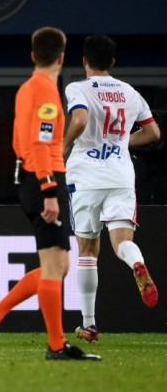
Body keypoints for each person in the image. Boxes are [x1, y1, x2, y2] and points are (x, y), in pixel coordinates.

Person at [0, 27, 101, 361]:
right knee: (55, 266)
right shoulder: (45, 91)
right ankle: (55, 345)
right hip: (43, 179)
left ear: (33, 56)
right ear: (61, 57)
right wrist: (48, 189)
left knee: (56, 266)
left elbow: (21, 141)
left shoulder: (28, 88)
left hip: (29, 177)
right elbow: (41, 144)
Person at [63, 34, 160, 343]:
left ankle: (89, 324)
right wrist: (121, 142)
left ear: (84, 62)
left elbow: (79, 119)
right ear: (113, 62)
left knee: (88, 251)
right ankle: (136, 263)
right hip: (120, 176)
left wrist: (62, 147)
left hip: (86, 177)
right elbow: (154, 133)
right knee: (121, 243)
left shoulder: (77, 88)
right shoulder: (129, 92)